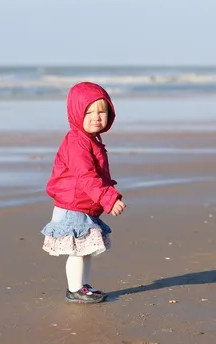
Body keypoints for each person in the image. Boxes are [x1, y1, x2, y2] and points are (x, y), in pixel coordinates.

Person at [41, 82, 126, 304]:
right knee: (78, 251)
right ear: (76, 113)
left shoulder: (90, 140)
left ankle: (82, 286)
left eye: (102, 111)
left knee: (86, 250)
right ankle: (75, 289)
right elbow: (86, 176)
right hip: (73, 206)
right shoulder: (77, 142)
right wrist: (108, 197)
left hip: (83, 204)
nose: (96, 117)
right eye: (88, 112)